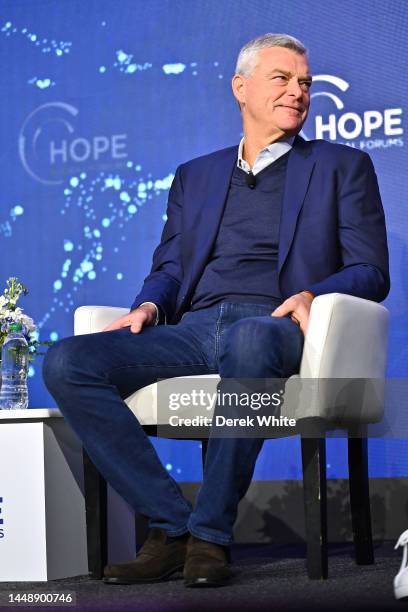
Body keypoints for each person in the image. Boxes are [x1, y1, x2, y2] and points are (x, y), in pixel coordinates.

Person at [43, 33, 389, 588]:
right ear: (241, 88)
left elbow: (371, 270)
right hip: (194, 327)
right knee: (66, 362)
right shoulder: (196, 175)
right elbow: (171, 264)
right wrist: (150, 303)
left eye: (304, 83)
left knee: (248, 342)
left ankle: (210, 535)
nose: (298, 92)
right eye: (282, 78)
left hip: (275, 323)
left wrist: (312, 294)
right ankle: (173, 526)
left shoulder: (340, 165)